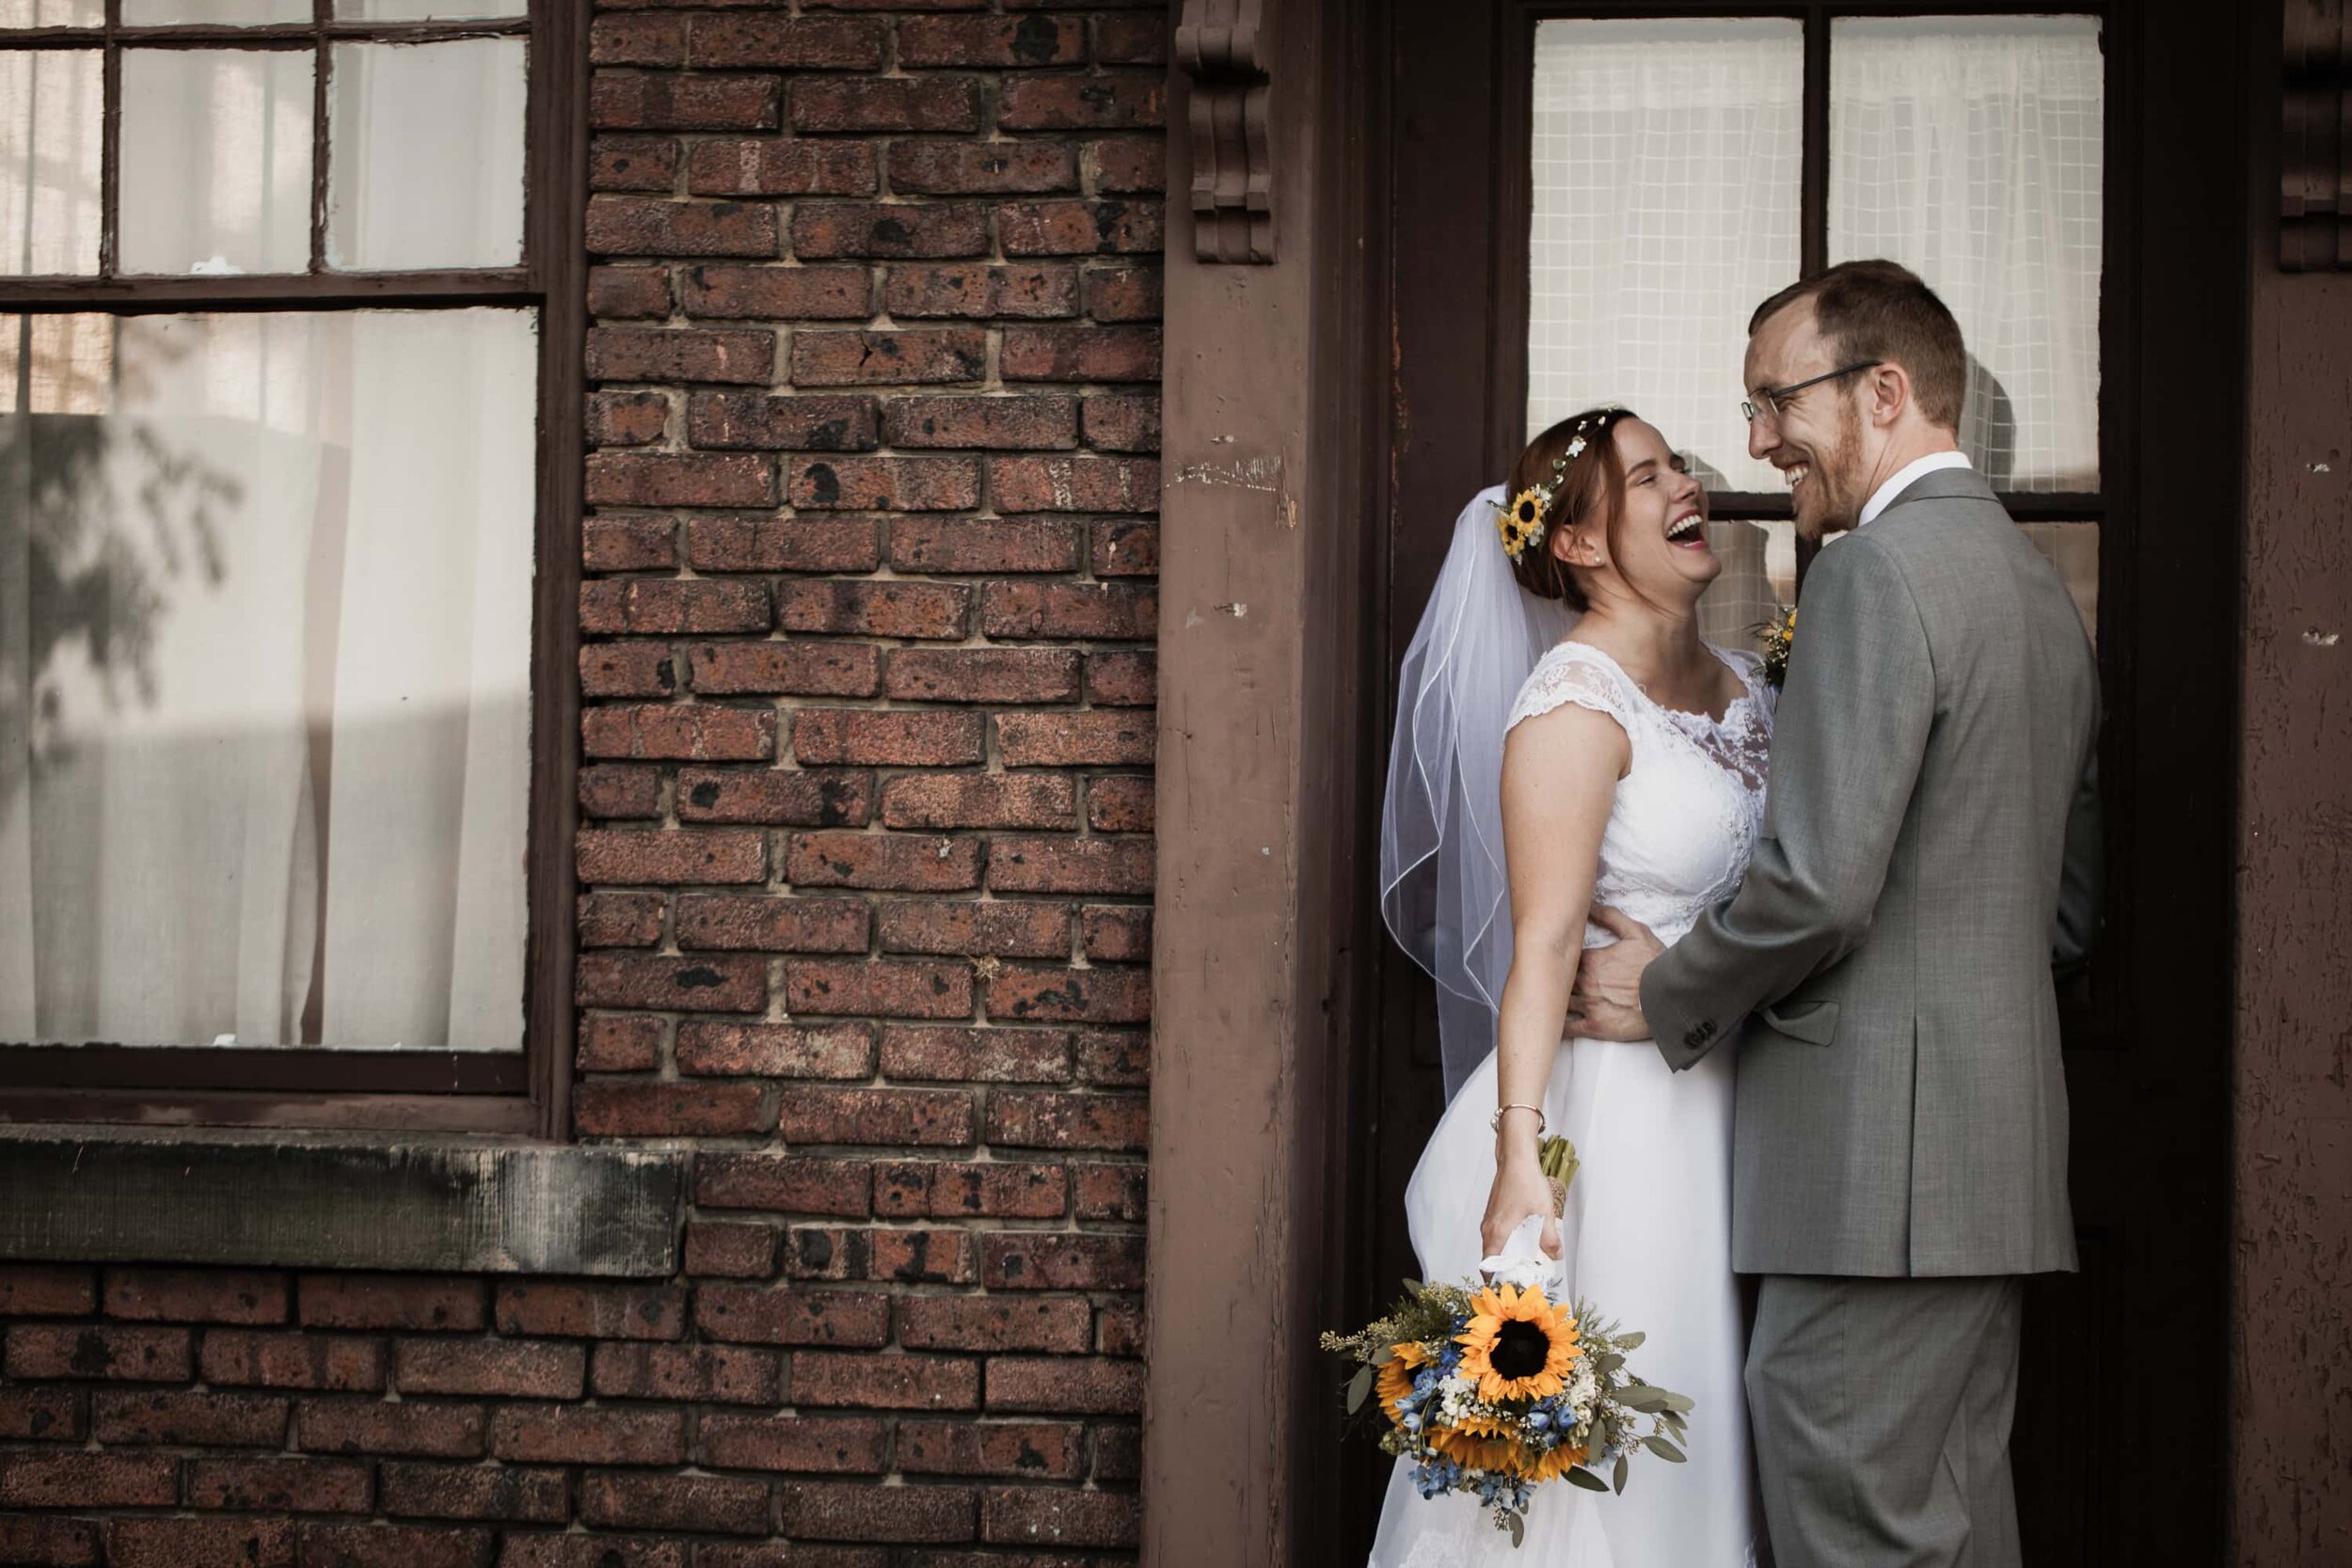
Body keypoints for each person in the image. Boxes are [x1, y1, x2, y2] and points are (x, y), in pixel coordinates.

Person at [1569, 261, 2102, 1567]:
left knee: (1856, 1525)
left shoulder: (1874, 574)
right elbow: (2066, 913)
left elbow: (1819, 881)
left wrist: (1668, 988)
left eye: (1774, 398)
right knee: (1954, 1526)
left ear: (1885, 388)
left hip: (1876, 1182)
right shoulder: (2039, 592)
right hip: (1990, 1170)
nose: (1754, 441)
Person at [1373, 406, 1767, 1565]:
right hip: (1623, 1124)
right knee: (1627, 1458)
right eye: (1646, 478)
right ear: (1582, 542)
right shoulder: (1571, 704)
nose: (1685, 485)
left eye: (1679, 466)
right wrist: (1515, 1161)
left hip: (1741, 1098)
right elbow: (1542, 945)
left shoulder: (1751, 684)